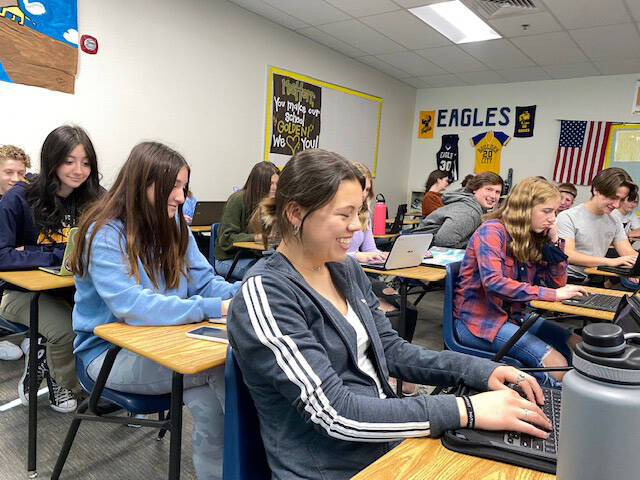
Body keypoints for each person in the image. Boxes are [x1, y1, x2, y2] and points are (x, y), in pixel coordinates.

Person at [228, 149, 551, 479]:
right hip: (335, 467)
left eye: (359, 212)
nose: (357, 225)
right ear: (296, 213)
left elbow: (391, 350)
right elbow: (336, 415)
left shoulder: (345, 270)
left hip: (389, 443)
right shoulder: (267, 293)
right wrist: (465, 409)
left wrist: (479, 370)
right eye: (344, 214)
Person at [71, 142, 239, 480]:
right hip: (107, 356)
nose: (180, 197)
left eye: (182, 187)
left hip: (166, 343)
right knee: (224, 369)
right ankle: (266, 463)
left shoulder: (175, 226)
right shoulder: (103, 233)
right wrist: (214, 307)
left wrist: (247, 295)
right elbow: (131, 306)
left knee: (210, 409)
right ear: (143, 184)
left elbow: (207, 282)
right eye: (172, 187)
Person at [0, 125, 102, 412]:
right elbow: (2, 256)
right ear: (52, 160)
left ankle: (50, 359)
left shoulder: (92, 196)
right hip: (21, 295)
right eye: (69, 161)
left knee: (108, 322)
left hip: (71, 289)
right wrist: (53, 255)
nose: (78, 170)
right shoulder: (18, 198)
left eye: (85, 163)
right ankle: (62, 380)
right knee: (67, 330)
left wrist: (33, 252)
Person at [454, 177, 585, 387]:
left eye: (555, 213)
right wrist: (552, 294)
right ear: (525, 209)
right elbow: (494, 282)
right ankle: (533, 397)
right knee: (557, 366)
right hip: (479, 323)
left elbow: (556, 285)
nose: (553, 219)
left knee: (575, 345)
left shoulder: (531, 236)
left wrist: (554, 243)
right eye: (547, 211)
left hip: (514, 317)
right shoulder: (492, 231)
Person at [557, 168, 638, 284]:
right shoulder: (568, 217)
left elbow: (627, 252)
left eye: (621, 200)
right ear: (596, 190)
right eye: (613, 198)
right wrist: (609, 261)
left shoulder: (614, 220)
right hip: (568, 280)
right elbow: (568, 255)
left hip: (594, 278)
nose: (617, 205)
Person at [214, 161, 279, 280]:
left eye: (277, 184)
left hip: (256, 258)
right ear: (260, 184)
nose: (275, 188)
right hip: (229, 259)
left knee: (283, 272)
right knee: (268, 277)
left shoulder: (271, 205)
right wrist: (255, 237)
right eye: (271, 184)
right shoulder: (237, 200)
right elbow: (226, 239)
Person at [417, 172, 504, 248]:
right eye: (489, 189)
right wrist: (476, 244)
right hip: (418, 250)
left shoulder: (473, 205)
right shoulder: (469, 211)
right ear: (475, 189)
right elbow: (444, 241)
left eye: (497, 192)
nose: (493, 196)